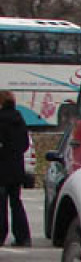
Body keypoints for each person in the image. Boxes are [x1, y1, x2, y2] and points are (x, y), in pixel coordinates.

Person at [0, 91, 31, 247]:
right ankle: (23, 236)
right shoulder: (19, 119)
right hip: (17, 168)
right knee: (16, 202)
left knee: (1, 204)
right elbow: (25, 144)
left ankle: (1, 235)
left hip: (2, 168)